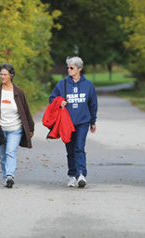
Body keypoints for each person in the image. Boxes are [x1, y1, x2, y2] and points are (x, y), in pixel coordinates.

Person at [0, 63, 35, 188]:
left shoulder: (18, 92)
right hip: (0, 130)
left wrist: (31, 128)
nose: (2, 77)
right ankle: (6, 177)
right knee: (2, 157)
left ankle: (10, 176)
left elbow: (26, 111)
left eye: (5, 74)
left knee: (10, 152)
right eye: (1, 74)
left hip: (15, 129)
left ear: (11, 76)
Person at [49, 56, 98, 188]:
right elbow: (51, 99)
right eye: (68, 68)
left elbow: (93, 104)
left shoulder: (88, 85)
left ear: (79, 69)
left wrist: (93, 121)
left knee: (79, 147)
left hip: (83, 122)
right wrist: (60, 102)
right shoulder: (62, 84)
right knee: (70, 150)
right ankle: (72, 175)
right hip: (66, 123)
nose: (69, 70)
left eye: (72, 68)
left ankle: (81, 174)